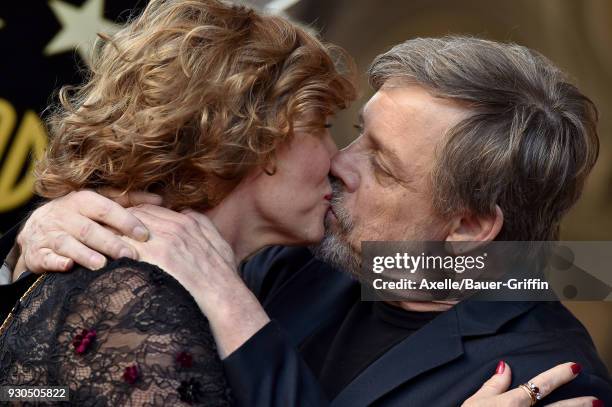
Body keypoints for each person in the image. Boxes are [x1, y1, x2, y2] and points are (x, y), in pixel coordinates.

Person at [1, 17, 609, 407]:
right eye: (354, 133)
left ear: (471, 227)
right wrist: (49, 226)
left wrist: (235, 310)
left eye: (384, 164)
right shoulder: (322, 249)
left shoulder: (547, 378)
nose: (340, 164)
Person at [0, 0, 356, 404]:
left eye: (388, 166)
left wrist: (228, 300)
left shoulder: (394, 268)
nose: (340, 158)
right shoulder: (133, 297)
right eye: (322, 127)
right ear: (254, 138)